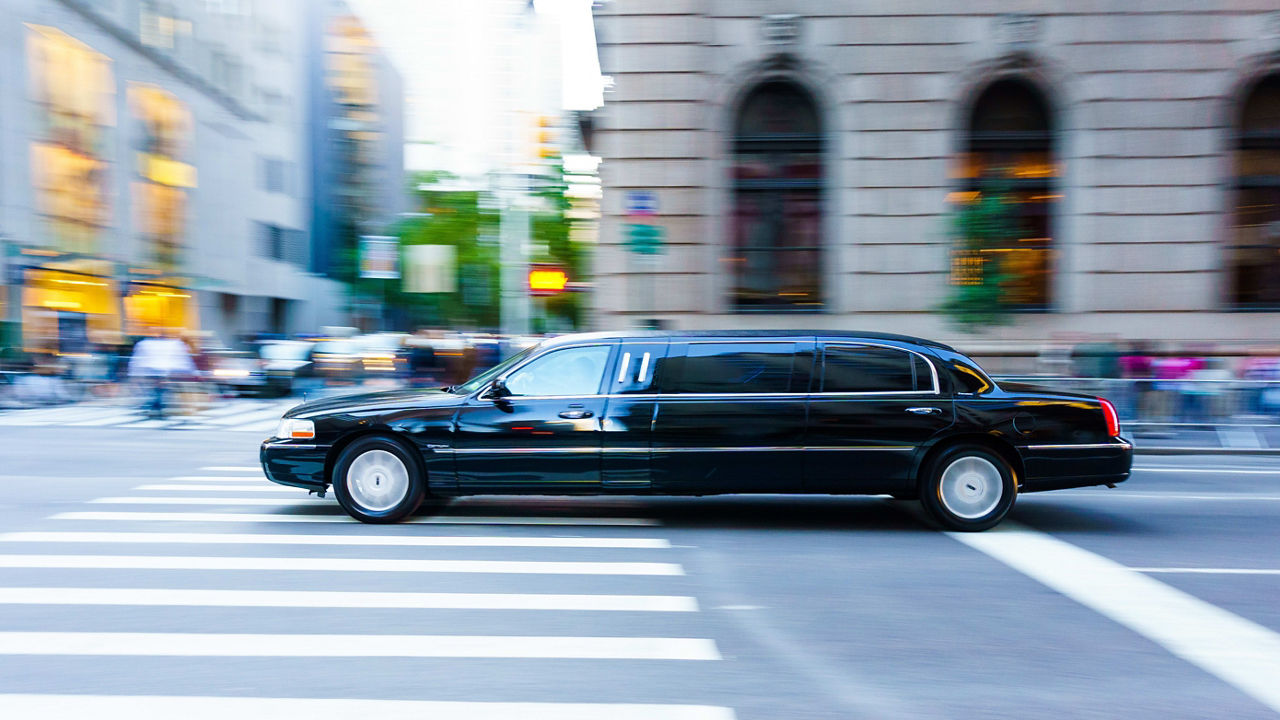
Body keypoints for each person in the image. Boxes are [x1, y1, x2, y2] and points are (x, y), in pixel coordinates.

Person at [128, 329, 197, 418]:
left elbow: (138, 359)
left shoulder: (149, 344)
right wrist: (190, 370)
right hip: (161, 370)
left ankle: (156, 406)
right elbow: (182, 358)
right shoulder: (173, 344)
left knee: (158, 389)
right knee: (160, 389)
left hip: (155, 370)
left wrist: (134, 373)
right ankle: (157, 406)